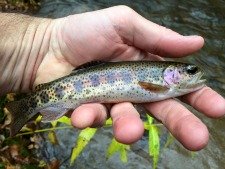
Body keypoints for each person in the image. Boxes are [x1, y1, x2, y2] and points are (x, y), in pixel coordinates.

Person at [0, 6, 224, 151]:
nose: (196, 74)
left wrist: (31, 49)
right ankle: (23, 107)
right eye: (191, 71)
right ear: (171, 74)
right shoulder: (160, 86)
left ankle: (23, 108)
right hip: (66, 87)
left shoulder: (164, 85)